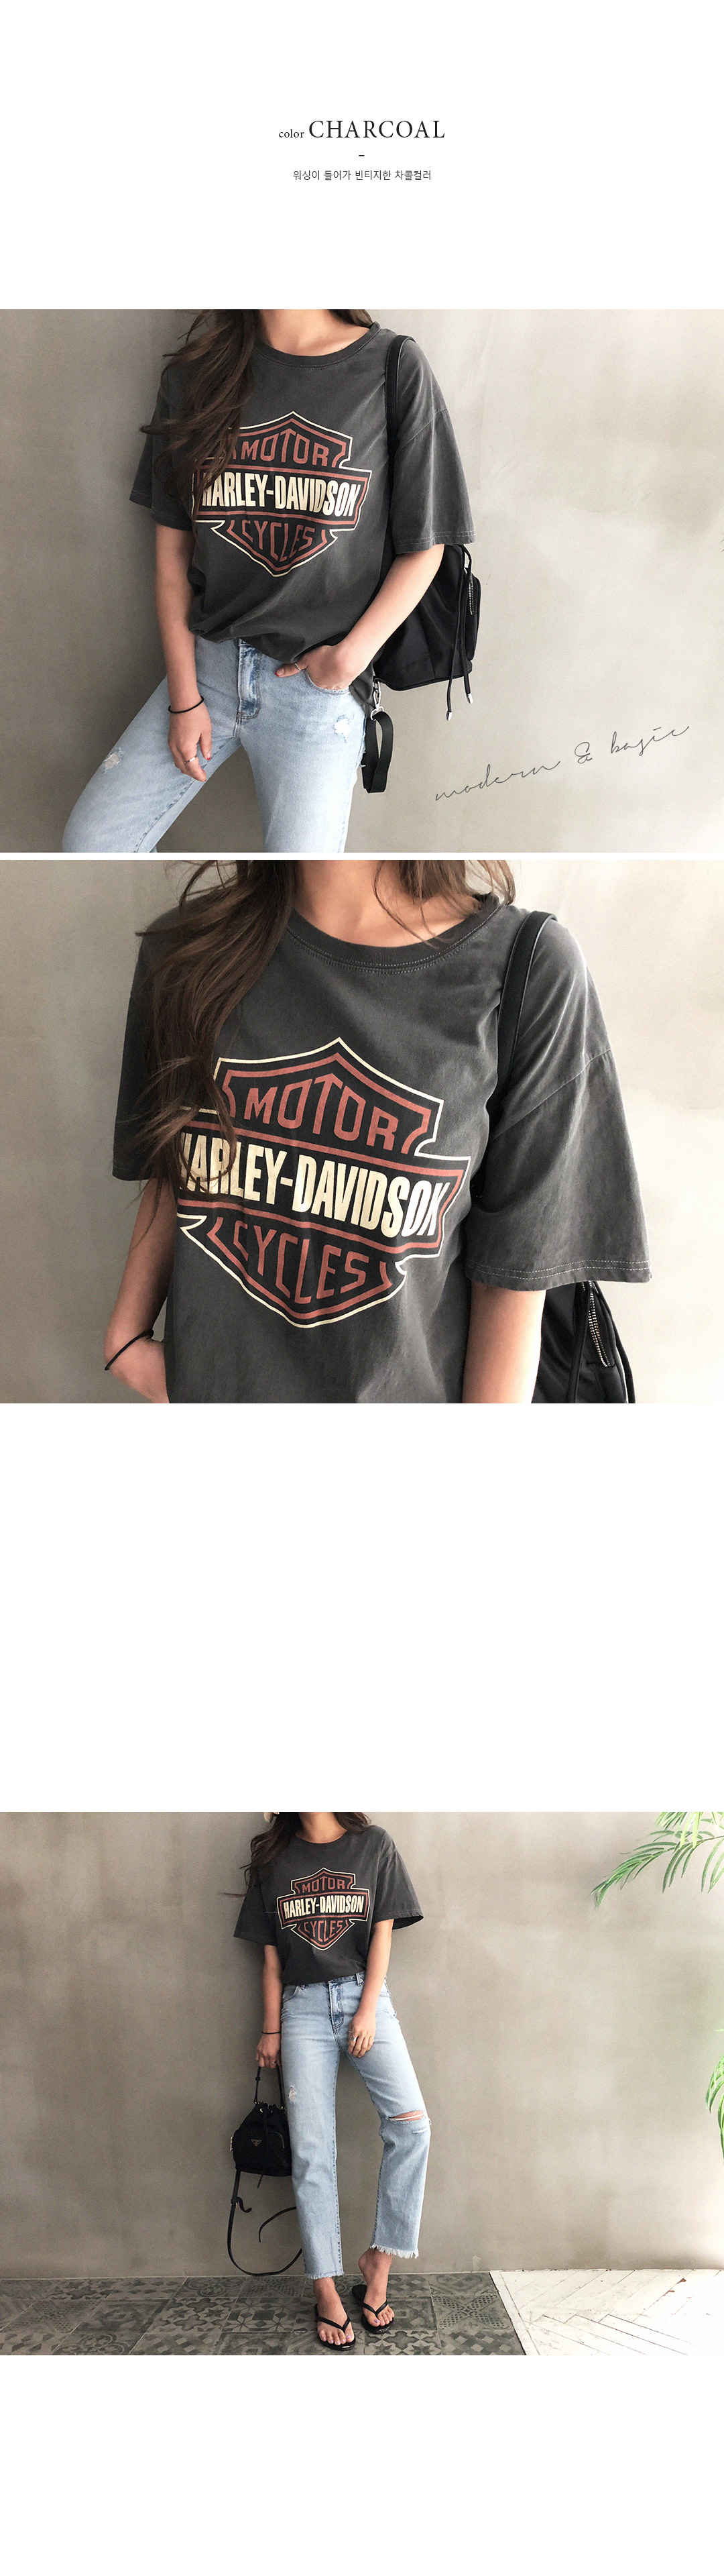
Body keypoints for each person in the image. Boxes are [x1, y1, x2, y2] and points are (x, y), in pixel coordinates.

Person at [106, 858, 650, 1405]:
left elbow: (514, 1274)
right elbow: (178, 1162)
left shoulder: (528, 971)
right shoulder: (189, 950)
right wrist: (127, 1337)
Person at [62, 309, 474, 855]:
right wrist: (184, 700)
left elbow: (428, 544)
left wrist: (348, 661)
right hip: (205, 669)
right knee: (92, 842)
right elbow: (172, 557)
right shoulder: (195, 375)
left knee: (301, 875)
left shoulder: (391, 367)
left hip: (315, 692)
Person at [234, 1811, 429, 2349]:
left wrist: (366, 2010)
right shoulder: (273, 1859)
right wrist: (270, 2030)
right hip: (300, 2011)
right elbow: (270, 1961)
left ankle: (379, 2262)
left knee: (413, 2127)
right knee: (312, 2152)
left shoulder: (374, 1846)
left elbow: (383, 1934)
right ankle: (325, 2289)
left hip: (366, 1996)